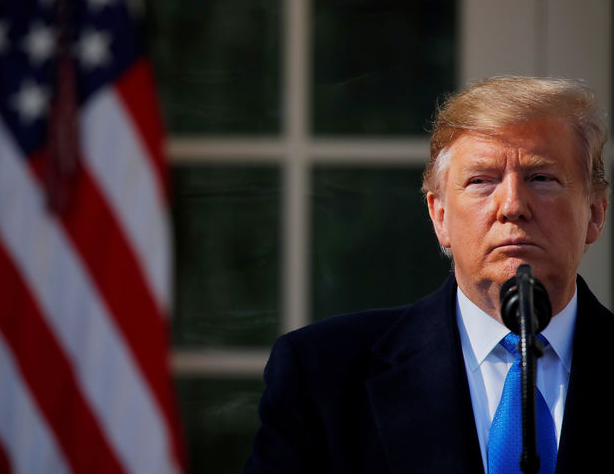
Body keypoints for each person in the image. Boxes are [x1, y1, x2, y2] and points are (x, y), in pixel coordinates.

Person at [242, 77, 614, 473]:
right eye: (481, 181)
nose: (512, 205)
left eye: (541, 178)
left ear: (595, 212)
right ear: (440, 216)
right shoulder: (322, 375)